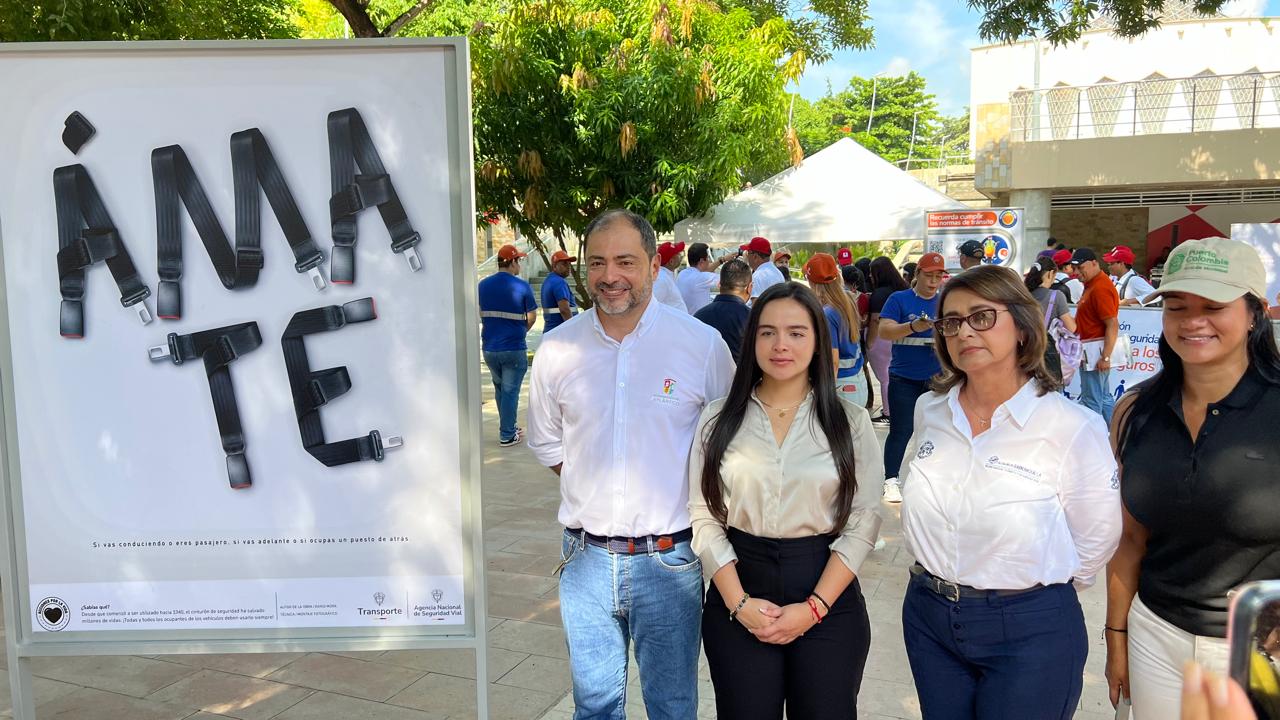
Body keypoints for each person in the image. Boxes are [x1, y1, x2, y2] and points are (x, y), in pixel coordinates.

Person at [528, 209, 735, 718]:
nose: (609, 276)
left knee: (671, 706)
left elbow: (730, 438)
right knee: (594, 707)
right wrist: (593, 482)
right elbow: (549, 445)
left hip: (670, 561)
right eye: (596, 263)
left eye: (625, 261)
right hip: (585, 561)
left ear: (652, 265)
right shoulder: (557, 350)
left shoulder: (700, 345)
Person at [900, 265, 1122, 720]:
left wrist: (1030, 590)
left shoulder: (1071, 426)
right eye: (952, 321)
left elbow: (1097, 536)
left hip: (1030, 629)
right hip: (930, 618)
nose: (964, 331)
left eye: (981, 317)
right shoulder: (931, 409)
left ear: (1022, 327)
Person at [1104, 237, 1280, 720]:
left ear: (1254, 313)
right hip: (1155, 634)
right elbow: (1130, 538)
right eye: (1177, 306)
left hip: (1259, 648)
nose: (1192, 320)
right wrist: (1115, 636)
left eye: (1213, 306)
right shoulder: (1135, 412)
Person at [689, 282, 882, 720]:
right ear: (751, 338)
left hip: (826, 589)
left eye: (796, 332)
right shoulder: (719, 418)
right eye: (768, 332)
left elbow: (864, 518)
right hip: (739, 586)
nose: (781, 345)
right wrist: (739, 603)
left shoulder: (847, 421)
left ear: (817, 341)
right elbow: (703, 514)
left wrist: (814, 607)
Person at [876, 252, 946, 503]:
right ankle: (891, 480)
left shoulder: (946, 301)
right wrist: (914, 326)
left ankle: (932, 479)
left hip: (939, 380)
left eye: (938, 276)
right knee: (901, 431)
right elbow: (884, 331)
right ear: (917, 274)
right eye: (928, 275)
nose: (933, 281)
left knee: (937, 432)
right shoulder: (899, 299)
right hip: (903, 377)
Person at [479, 244, 537, 446]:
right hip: (513, 347)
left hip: (489, 348)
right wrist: (520, 331)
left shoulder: (483, 286)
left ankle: (509, 426)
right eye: (518, 261)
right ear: (512, 262)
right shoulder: (522, 287)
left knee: (501, 389)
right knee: (511, 392)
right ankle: (507, 434)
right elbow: (531, 317)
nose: (519, 264)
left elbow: (481, 313)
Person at [805, 253, 868, 407]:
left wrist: (826, 397)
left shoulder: (827, 312)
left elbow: (833, 360)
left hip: (840, 386)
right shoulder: (847, 300)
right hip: (856, 380)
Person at [1073, 247, 1121, 422]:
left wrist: (1105, 357)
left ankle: (1097, 441)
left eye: (1080, 268)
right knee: (1103, 396)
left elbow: (1112, 323)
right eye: (1074, 268)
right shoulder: (1093, 285)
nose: (1077, 272)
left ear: (1094, 263)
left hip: (1095, 352)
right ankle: (1114, 436)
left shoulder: (1100, 287)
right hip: (1094, 351)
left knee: (1092, 400)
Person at [866, 256, 909, 425]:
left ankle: (888, 412)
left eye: (872, 273)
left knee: (884, 378)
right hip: (899, 336)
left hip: (881, 339)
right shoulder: (902, 289)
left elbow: (875, 320)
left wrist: (870, 342)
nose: (870, 276)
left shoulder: (879, 293)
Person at [1024, 257, 1078, 380]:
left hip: (1025, 352)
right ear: (1050, 273)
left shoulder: (1024, 295)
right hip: (1047, 355)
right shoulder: (1056, 296)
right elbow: (1072, 328)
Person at [694, 259, 753, 363]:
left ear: (719, 285)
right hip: (742, 377)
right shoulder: (753, 318)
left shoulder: (698, 316)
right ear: (749, 288)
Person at [677, 242, 725, 315]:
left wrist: (722, 260)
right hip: (699, 322)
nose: (709, 261)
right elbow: (728, 279)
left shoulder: (682, 274)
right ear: (702, 261)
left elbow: (703, 271)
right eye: (708, 258)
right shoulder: (702, 278)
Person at [541, 249, 578, 334]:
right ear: (554, 266)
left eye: (569, 264)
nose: (568, 266)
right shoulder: (559, 282)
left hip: (552, 332)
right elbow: (564, 309)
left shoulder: (549, 280)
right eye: (564, 264)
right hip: (560, 334)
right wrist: (572, 330)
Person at [741, 236, 786, 301]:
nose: (747, 256)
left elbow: (756, 307)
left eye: (748, 253)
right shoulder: (778, 272)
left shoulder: (758, 276)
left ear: (755, 256)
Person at [654, 241, 689, 312]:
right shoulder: (661, 279)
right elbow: (652, 306)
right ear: (671, 262)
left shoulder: (665, 275)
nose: (681, 256)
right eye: (678, 254)